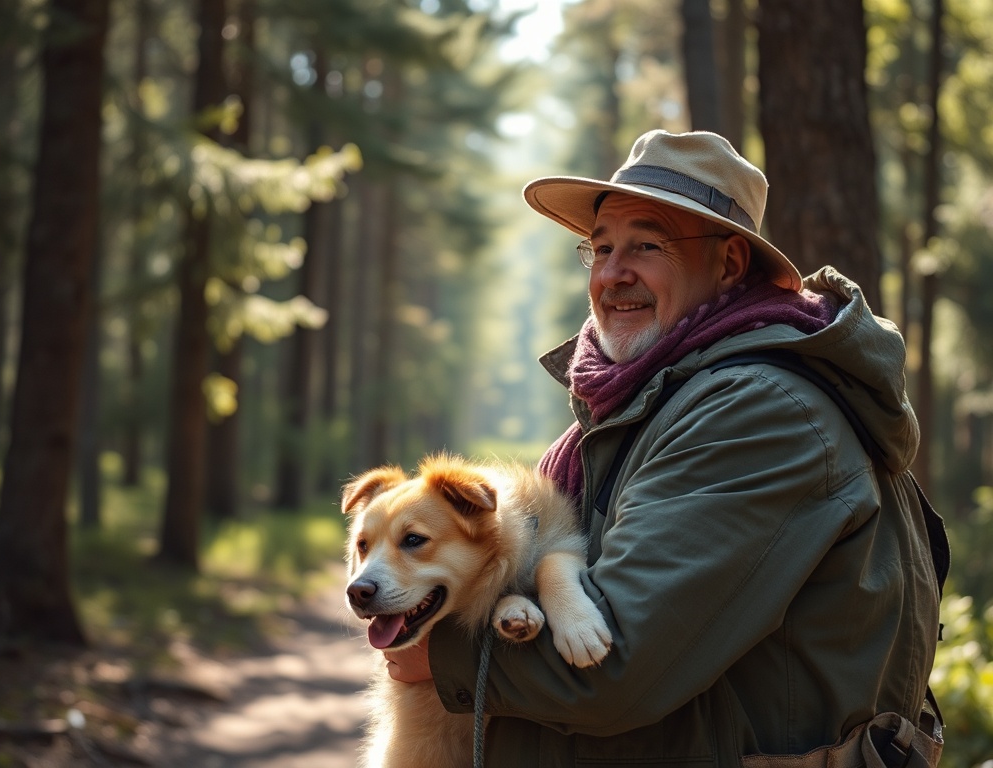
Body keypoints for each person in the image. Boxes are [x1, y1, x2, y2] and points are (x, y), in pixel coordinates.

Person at [384, 129, 944, 767]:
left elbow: (617, 661)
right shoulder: (640, 407)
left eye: (646, 246)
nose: (613, 274)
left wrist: (435, 654)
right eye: (600, 248)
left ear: (730, 264)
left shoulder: (759, 412)